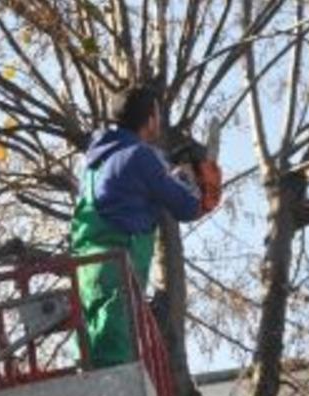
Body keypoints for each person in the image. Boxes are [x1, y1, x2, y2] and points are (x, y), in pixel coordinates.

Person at [70, 85, 220, 368]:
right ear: (151, 119)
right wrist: (198, 178)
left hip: (87, 270)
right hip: (118, 269)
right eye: (158, 116)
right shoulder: (141, 157)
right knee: (116, 365)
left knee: (90, 350)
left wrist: (171, 165)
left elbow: (132, 180)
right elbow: (187, 207)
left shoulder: (94, 160)